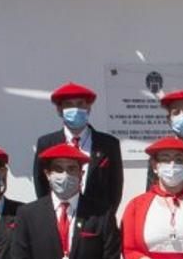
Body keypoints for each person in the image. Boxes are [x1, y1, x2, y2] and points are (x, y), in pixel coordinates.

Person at [32, 83, 124, 214]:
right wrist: (50, 216)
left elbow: (115, 188)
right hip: (58, 217)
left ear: (89, 108)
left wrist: (104, 220)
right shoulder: (46, 143)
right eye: (69, 104)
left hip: (96, 220)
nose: (75, 109)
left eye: (80, 104)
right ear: (59, 110)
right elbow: (40, 183)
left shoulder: (109, 144)